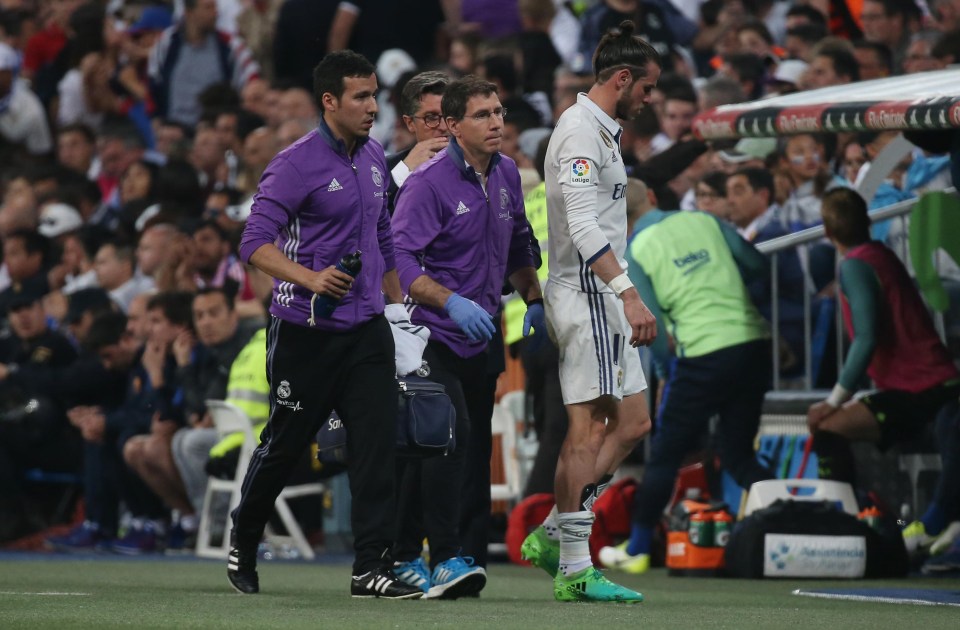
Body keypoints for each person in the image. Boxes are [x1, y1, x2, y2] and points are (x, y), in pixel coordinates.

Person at [228, 50, 420, 599]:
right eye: (360, 97)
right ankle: (244, 535)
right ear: (329, 101)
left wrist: (398, 307)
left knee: (379, 445)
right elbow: (253, 243)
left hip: (366, 329)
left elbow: (383, 235)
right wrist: (310, 278)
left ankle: (370, 568)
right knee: (285, 447)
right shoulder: (294, 163)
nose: (372, 107)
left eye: (374, 96)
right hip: (304, 329)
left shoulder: (375, 156)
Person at [520, 20, 660, 603]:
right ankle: (575, 567)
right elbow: (580, 227)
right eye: (647, 88)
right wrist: (627, 292)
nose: (650, 99)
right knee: (589, 425)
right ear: (622, 79)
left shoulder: (601, 131)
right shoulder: (580, 132)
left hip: (597, 294)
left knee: (634, 423)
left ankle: (555, 533)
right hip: (590, 295)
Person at [390, 75, 542, 599]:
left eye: (499, 112)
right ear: (452, 126)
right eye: (482, 115)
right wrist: (450, 301)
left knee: (470, 449)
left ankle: (447, 556)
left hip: (484, 335)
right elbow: (402, 261)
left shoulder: (506, 174)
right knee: (443, 443)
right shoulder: (426, 184)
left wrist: (535, 299)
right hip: (430, 334)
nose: (497, 121)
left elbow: (521, 239)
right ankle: (436, 555)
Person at [599, 180, 774, 572]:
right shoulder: (704, 221)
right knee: (738, 452)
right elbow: (757, 265)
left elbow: (652, 328)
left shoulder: (634, 252)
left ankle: (639, 548)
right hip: (752, 344)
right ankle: (785, 516)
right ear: (656, 198)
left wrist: (665, 378)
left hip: (703, 354)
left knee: (665, 454)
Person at [808, 188, 960, 555]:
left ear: (828, 233)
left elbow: (866, 338)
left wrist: (833, 400)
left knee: (826, 427)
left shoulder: (856, 265)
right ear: (868, 221)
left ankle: (846, 530)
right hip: (935, 382)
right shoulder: (881, 255)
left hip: (920, 388)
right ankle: (870, 522)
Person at [386, 71, 450, 214]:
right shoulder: (386, 170)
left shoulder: (482, 165)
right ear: (410, 123)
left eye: (449, 115)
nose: (444, 127)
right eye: (432, 117)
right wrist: (404, 170)